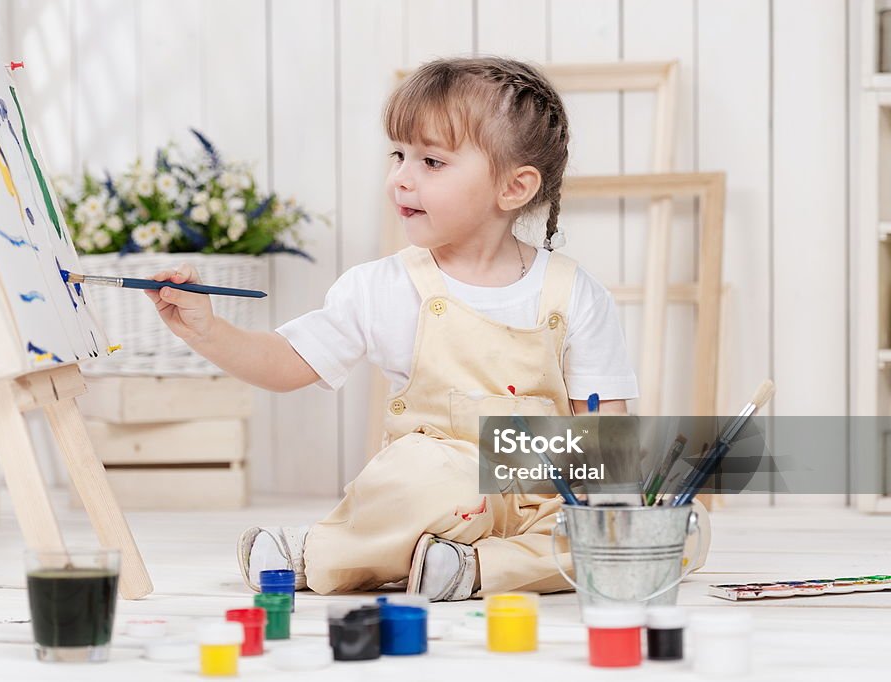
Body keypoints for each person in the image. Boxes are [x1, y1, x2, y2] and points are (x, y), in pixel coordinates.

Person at [146, 56, 708, 601]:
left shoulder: (575, 293)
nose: (400, 179)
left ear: (513, 188)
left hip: (545, 500)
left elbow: (604, 431)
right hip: (438, 488)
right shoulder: (383, 287)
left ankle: (473, 569)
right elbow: (286, 363)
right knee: (426, 481)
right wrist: (206, 330)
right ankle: (317, 553)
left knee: (681, 526)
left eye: (431, 163)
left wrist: (618, 515)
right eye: (398, 155)